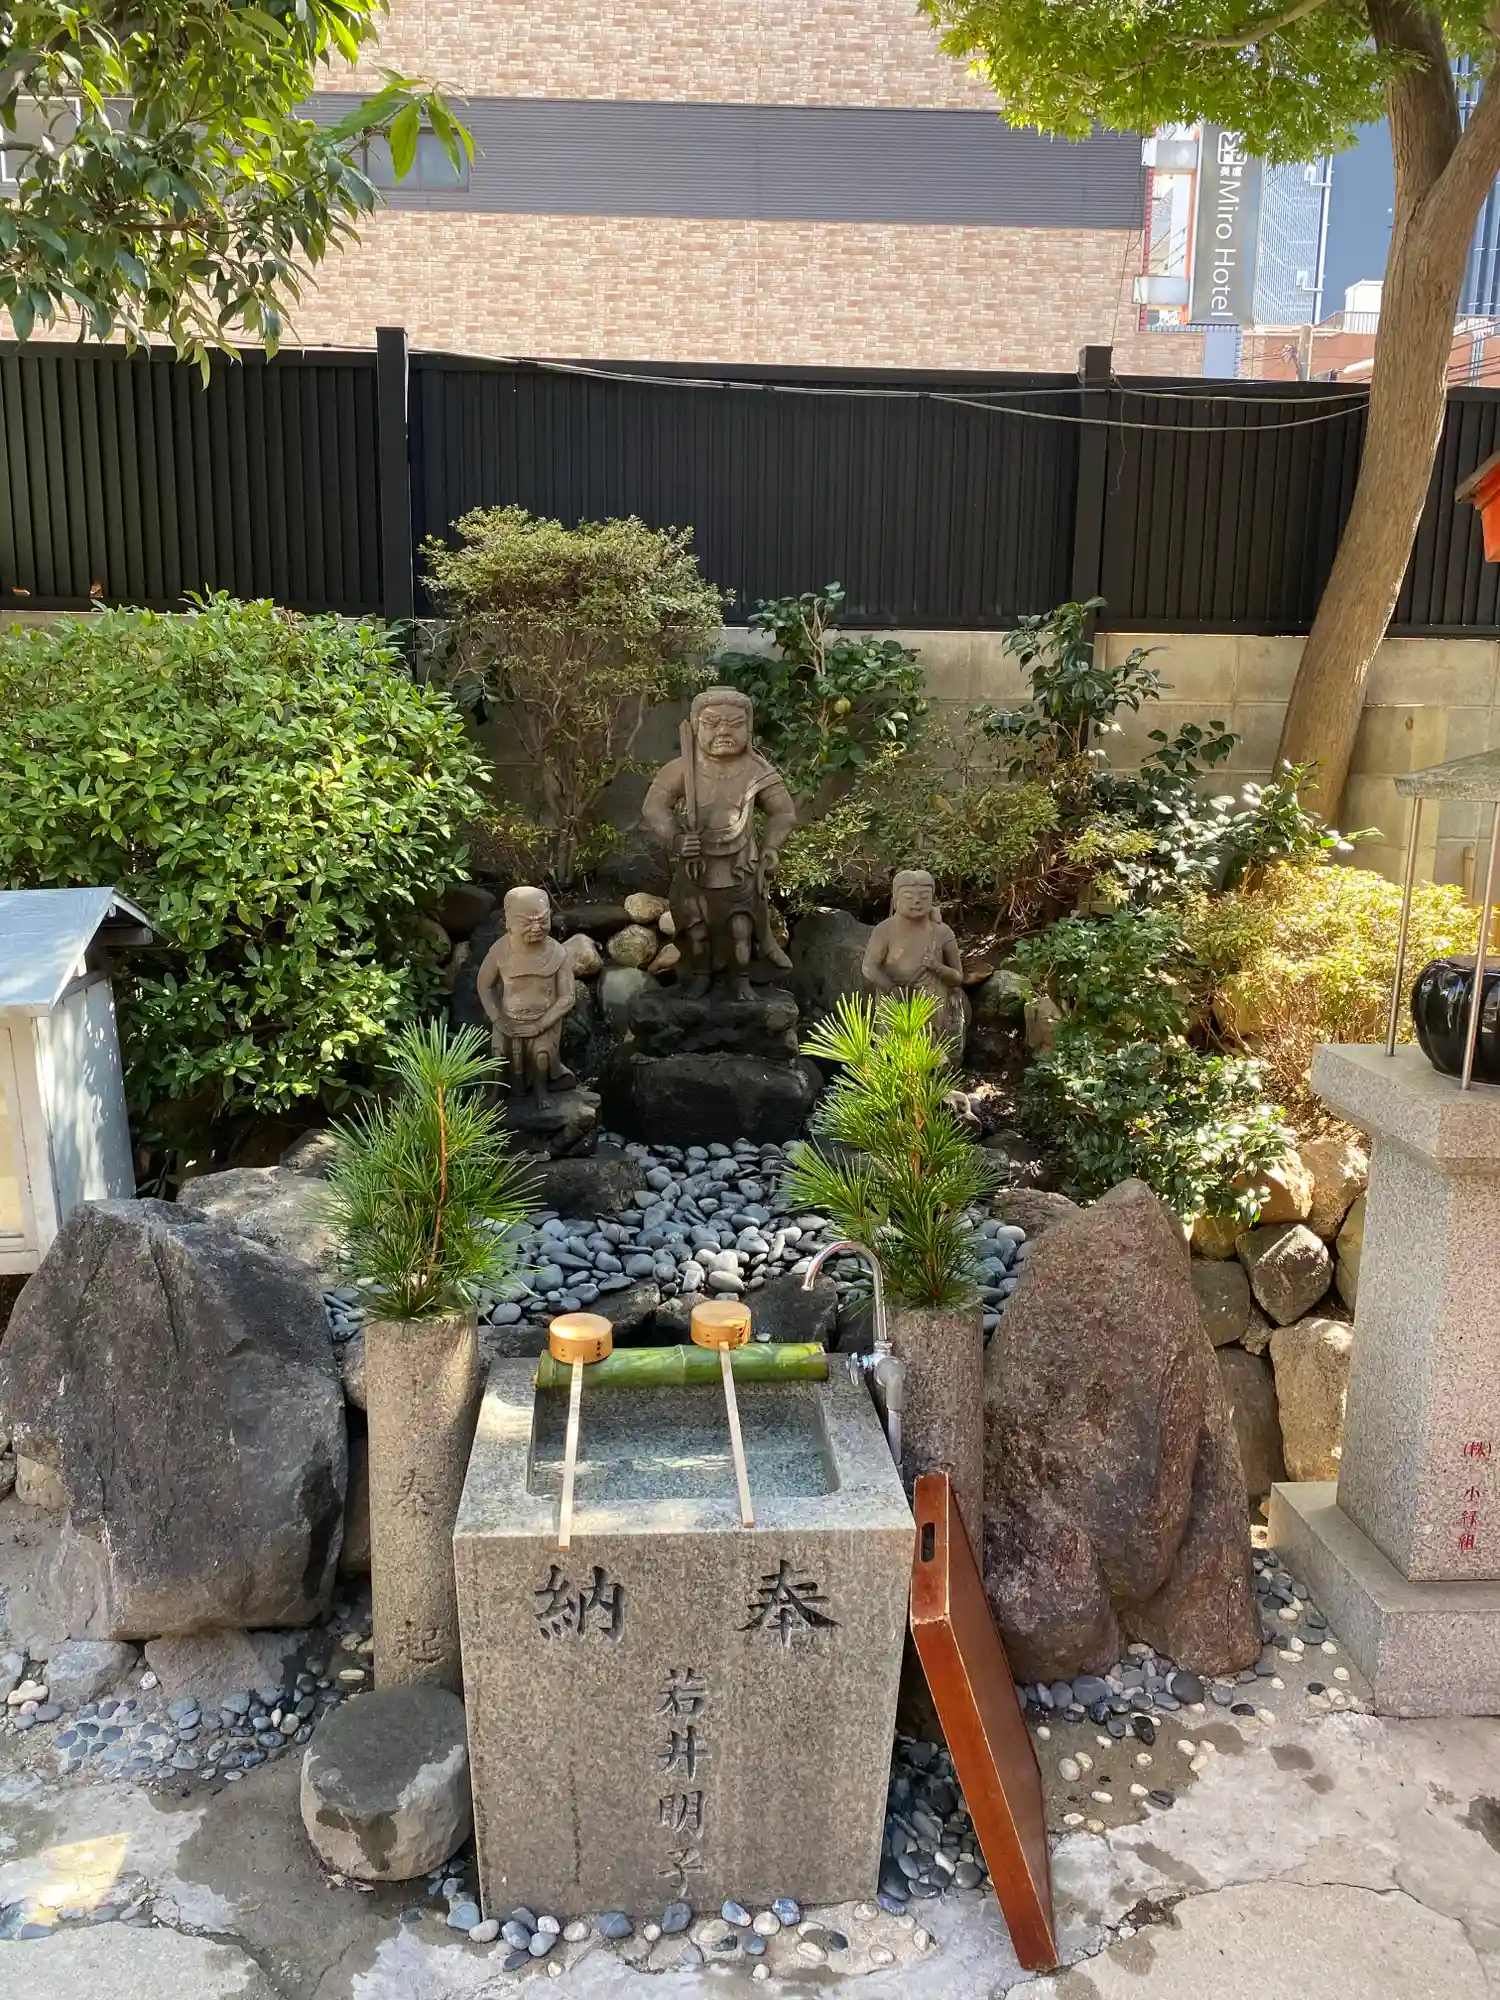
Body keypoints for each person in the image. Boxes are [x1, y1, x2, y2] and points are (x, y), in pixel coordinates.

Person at [641, 686, 796, 1001]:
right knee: (697, 930)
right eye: (712, 723)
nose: (724, 731)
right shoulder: (682, 769)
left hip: (741, 866)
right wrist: (677, 838)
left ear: (748, 728)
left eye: (735, 724)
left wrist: (770, 847)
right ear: (695, 727)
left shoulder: (757, 771)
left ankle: (741, 981)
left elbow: (783, 812)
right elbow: (654, 806)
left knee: (741, 929)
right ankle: (699, 978)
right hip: (697, 867)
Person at [474, 885, 576, 1106]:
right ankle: (498, 1093)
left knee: (542, 1055)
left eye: (543, 920)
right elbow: (484, 986)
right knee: (500, 1053)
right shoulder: (500, 951)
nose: (537, 928)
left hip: (544, 1022)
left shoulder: (557, 953)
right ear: (508, 922)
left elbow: (568, 997)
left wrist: (540, 1025)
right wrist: (498, 1019)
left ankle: (541, 1090)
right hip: (508, 1020)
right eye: (527, 922)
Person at [861, 868, 966, 1053]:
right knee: (890, 1049)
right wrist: (891, 988)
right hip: (892, 1000)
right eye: (909, 896)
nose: (917, 901)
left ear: (932, 898)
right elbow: (869, 967)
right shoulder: (885, 930)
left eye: (924, 896)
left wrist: (937, 967)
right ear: (896, 898)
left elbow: (957, 978)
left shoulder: (942, 932)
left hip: (930, 1003)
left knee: (928, 1050)